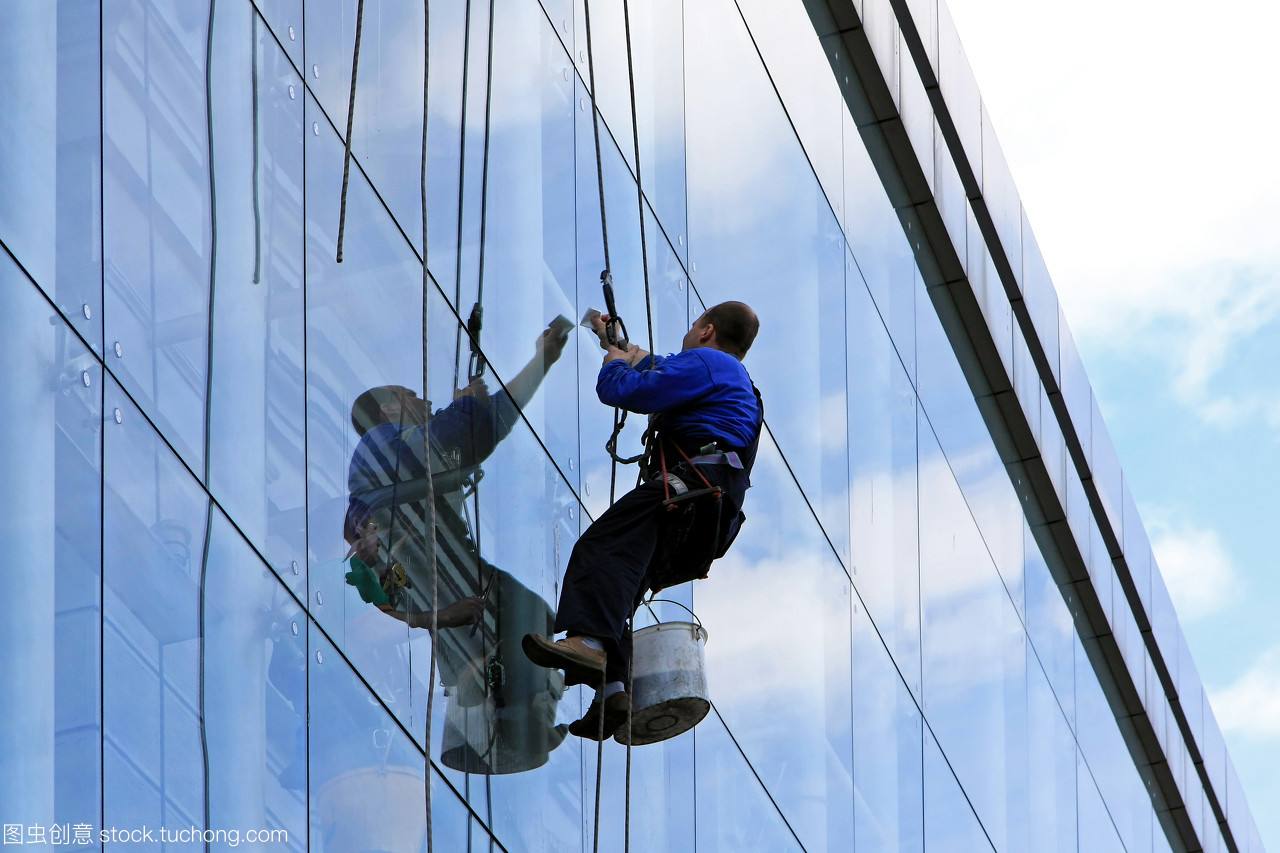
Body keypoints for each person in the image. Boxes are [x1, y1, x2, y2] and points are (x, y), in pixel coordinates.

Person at [522, 301, 763, 740]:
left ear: (707, 331)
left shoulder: (708, 362)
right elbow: (656, 366)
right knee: (623, 583)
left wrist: (613, 363)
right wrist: (614, 341)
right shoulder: (727, 376)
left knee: (602, 549)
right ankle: (614, 690)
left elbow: (631, 390)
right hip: (708, 514)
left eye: (692, 327)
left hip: (691, 488)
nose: (687, 335)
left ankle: (591, 645)